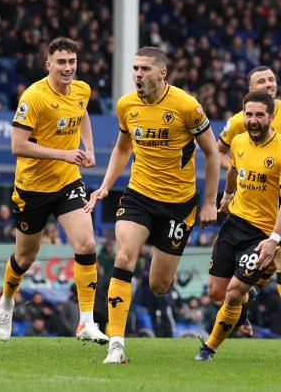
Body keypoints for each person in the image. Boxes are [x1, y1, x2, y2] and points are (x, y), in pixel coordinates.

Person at [84, 46, 220, 364]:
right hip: (138, 195)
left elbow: (212, 154)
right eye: (135, 69)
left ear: (162, 73)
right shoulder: (126, 105)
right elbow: (122, 148)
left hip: (178, 204)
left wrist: (210, 202)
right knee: (124, 255)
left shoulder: (187, 106)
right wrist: (105, 185)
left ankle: (159, 270)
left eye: (144, 69)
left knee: (158, 285)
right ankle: (116, 344)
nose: (137, 75)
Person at [0, 37, 108, 344]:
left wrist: (88, 147)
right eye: (61, 62)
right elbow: (17, 146)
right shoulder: (34, 97)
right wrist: (64, 153)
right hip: (32, 189)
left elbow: (81, 112)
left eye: (72, 61)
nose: (68, 68)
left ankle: (86, 322)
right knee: (26, 256)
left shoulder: (82, 89)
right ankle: (6, 300)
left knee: (86, 244)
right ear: (48, 65)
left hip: (68, 182)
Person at [196, 91, 281, 362]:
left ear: (271, 117)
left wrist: (275, 239)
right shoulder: (240, 141)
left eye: (259, 115)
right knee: (217, 293)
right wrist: (227, 195)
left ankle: (208, 349)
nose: (253, 120)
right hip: (234, 225)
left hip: (262, 234)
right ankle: (246, 303)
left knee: (233, 293)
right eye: (249, 114)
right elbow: (232, 170)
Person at [215, 65, 281, 339]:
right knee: (280, 262)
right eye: (262, 80)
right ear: (250, 90)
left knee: (280, 261)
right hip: (253, 202)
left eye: (272, 79)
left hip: (280, 198)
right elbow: (219, 152)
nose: (269, 83)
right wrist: (239, 171)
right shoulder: (240, 121)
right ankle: (251, 303)